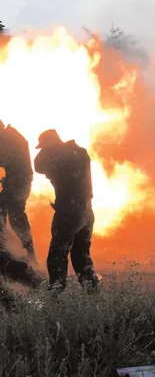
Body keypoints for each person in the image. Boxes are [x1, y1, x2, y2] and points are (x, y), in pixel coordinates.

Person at [33, 129, 100, 293]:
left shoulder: (58, 156)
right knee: (80, 254)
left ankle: (57, 293)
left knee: (57, 254)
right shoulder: (79, 152)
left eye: (44, 146)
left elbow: (38, 165)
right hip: (86, 210)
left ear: (50, 143)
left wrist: (49, 149)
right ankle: (92, 290)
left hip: (69, 212)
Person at [0, 121, 36, 261]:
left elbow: (5, 160)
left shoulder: (7, 139)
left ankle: (25, 251)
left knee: (15, 215)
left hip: (18, 182)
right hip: (18, 181)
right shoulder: (11, 135)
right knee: (9, 212)